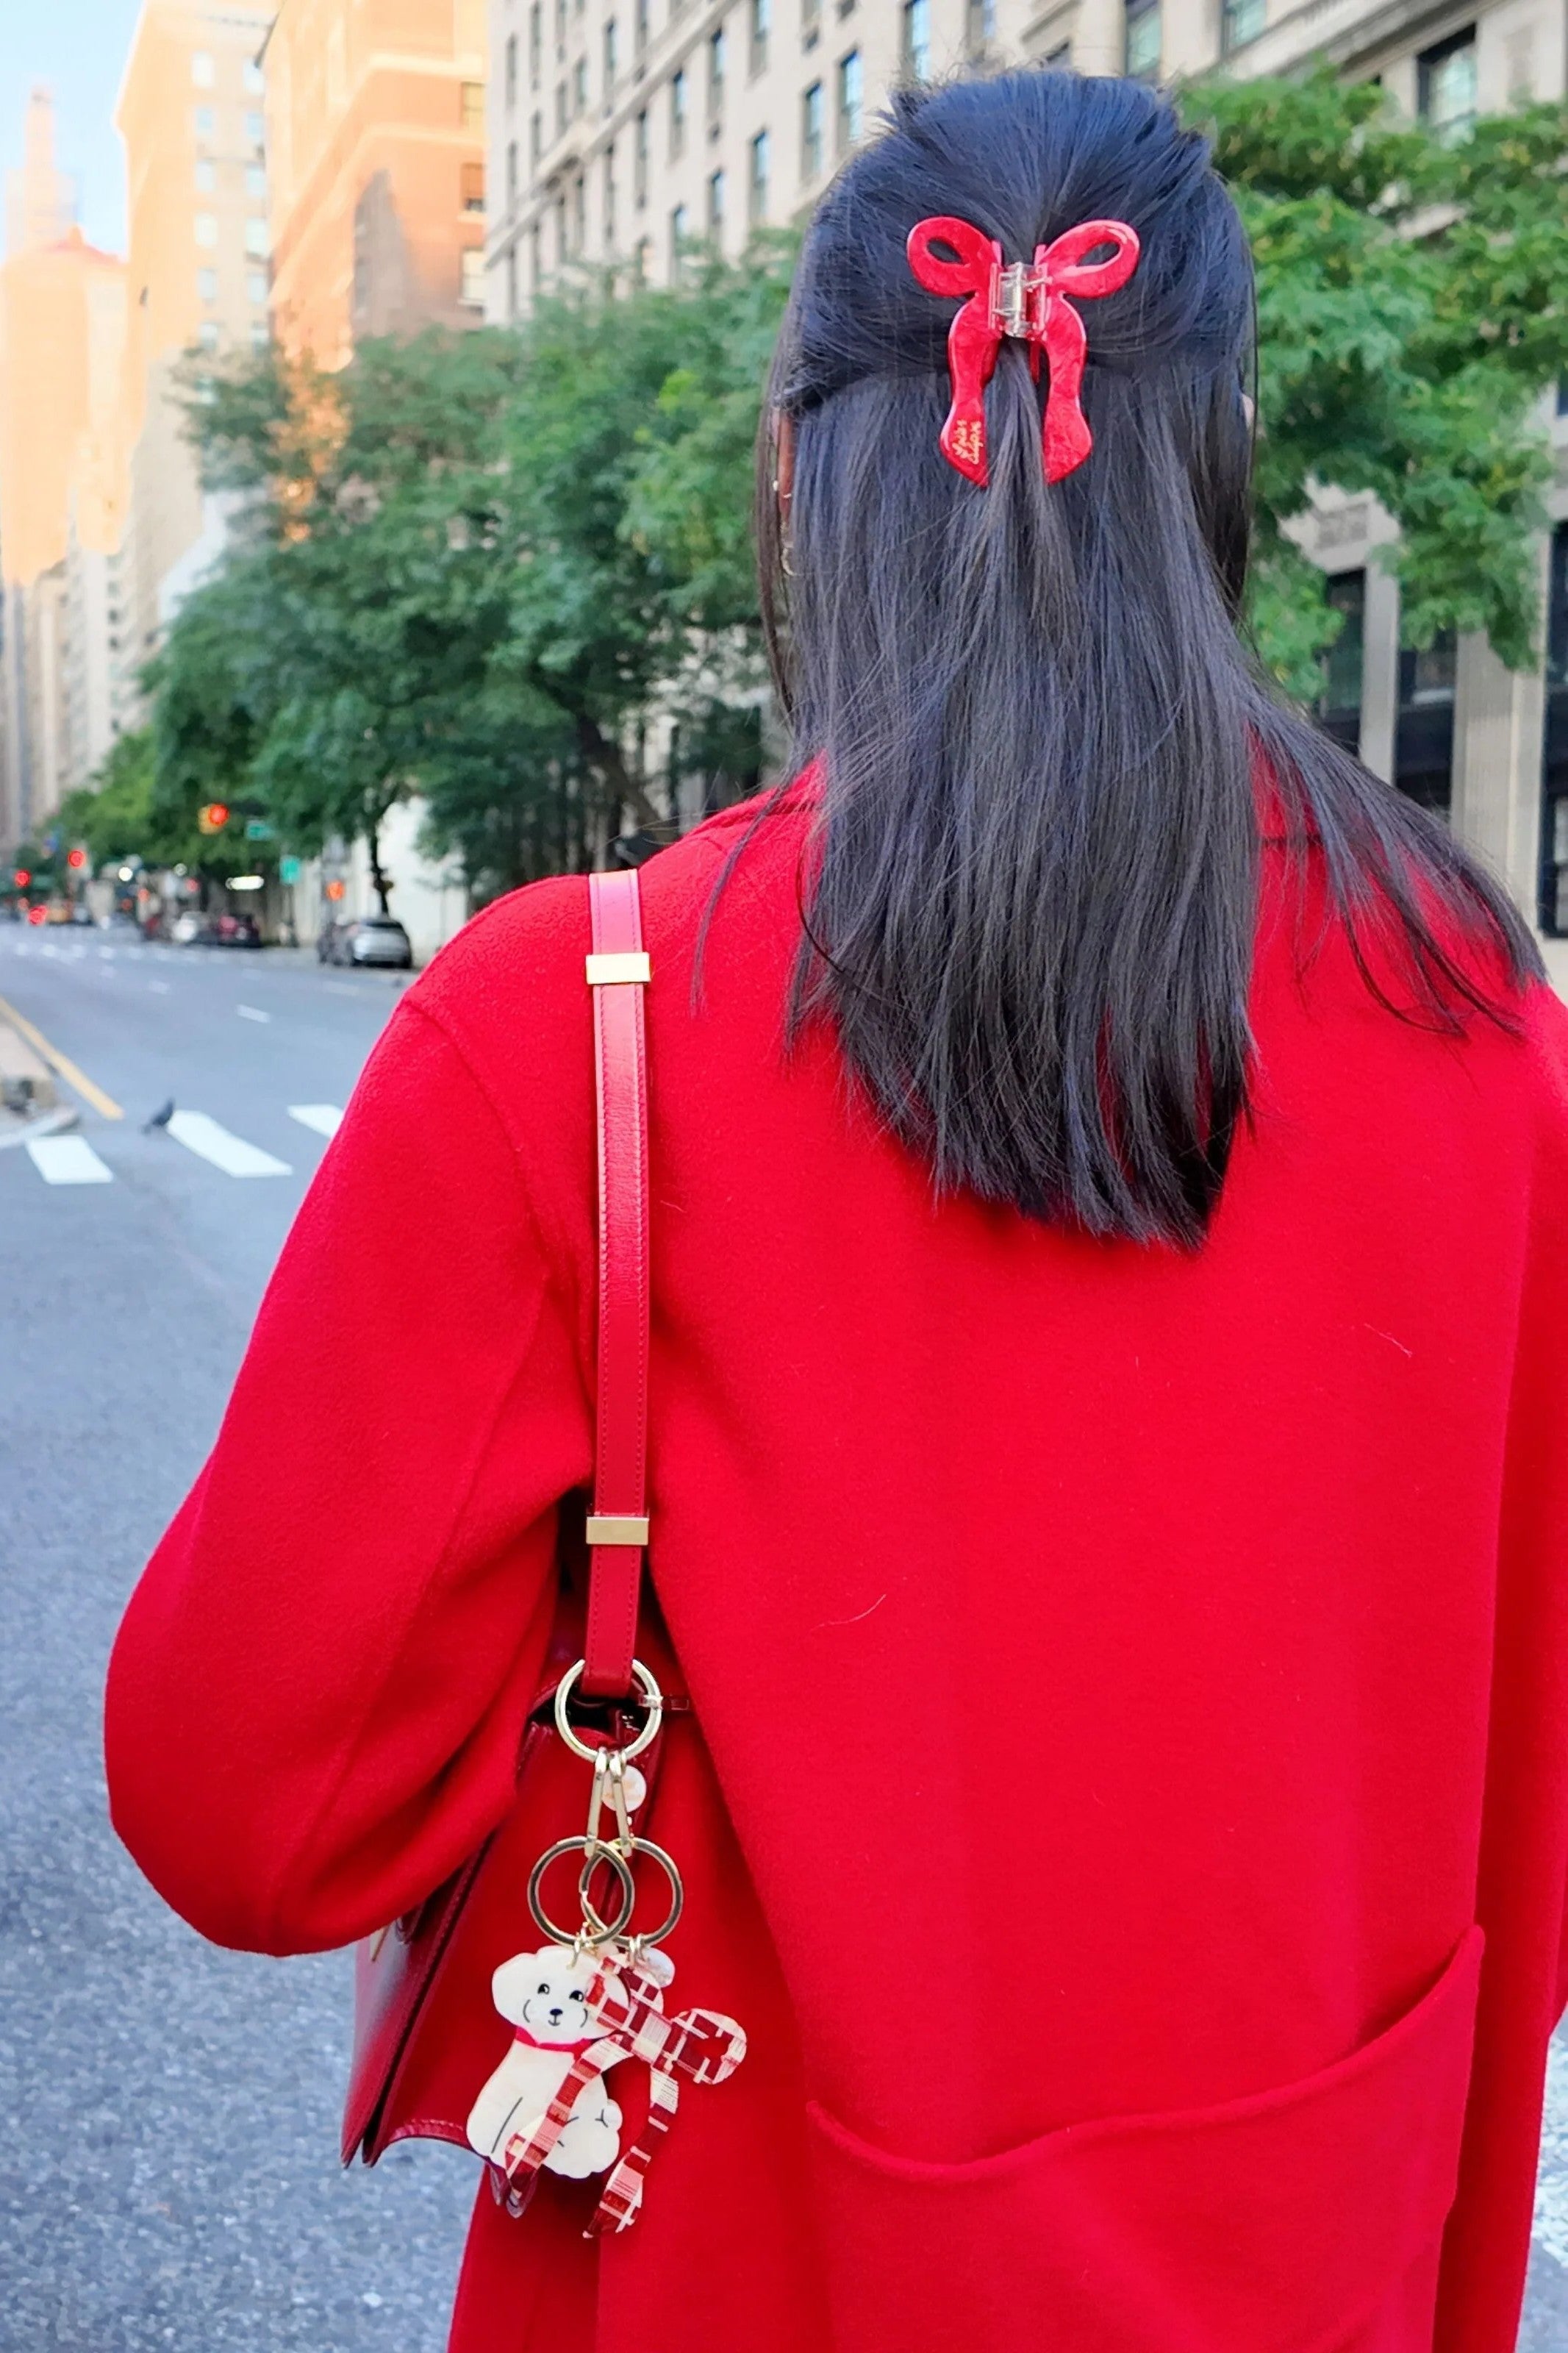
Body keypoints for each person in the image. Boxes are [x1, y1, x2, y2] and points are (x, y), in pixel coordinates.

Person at [104, 68, 1568, 2353]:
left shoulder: (578, 1023)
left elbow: (244, 1818)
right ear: (1224, 455)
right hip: (1320, 2258)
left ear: (796, 474)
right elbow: (1520, 1815)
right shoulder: (1486, 1024)